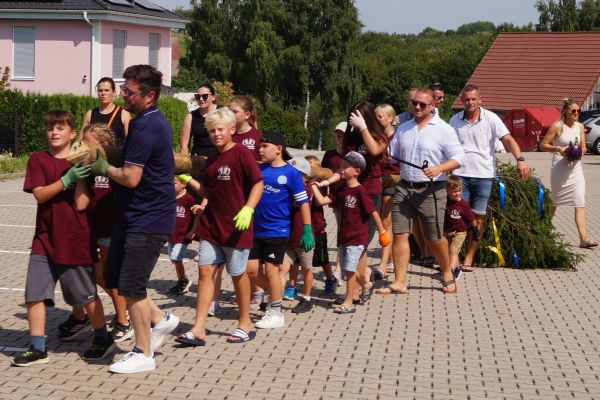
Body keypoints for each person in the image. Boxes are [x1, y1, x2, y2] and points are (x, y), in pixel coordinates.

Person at [91, 64, 179, 374]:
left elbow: (130, 177)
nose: (123, 96)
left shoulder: (147, 126)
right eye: (123, 90)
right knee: (115, 278)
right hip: (131, 217)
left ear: (149, 96)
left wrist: (103, 168)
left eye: (129, 92)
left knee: (131, 287)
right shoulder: (142, 121)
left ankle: (143, 352)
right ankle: (161, 319)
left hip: (149, 218)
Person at [12, 110, 114, 367]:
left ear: (72, 134)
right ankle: (38, 348)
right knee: (34, 293)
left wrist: (79, 178)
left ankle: (103, 338)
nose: (54, 133)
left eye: (60, 128)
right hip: (44, 239)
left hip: (76, 240)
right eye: (50, 129)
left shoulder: (83, 161)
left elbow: (81, 204)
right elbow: (40, 195)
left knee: (85, 296)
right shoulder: (38, 160)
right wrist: (65, 179)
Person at [175, 107, 264, 346]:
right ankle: (198, 328)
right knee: (205, 273)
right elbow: (209, 192)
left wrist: (249, 209)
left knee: (237, 275)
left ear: (232, 130)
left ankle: (245, 323)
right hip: (211, 226)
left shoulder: (242, 153)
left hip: (236, 227)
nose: (215, 134)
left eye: (220, 130)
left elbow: (258, 183)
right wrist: (189, 180)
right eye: (212, 131)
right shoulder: (212, 159)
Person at [380, 87, 465, 295]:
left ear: (432, 105)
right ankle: (400, 282)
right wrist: (383, 151)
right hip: (404, 188)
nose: (417, 107)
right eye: (414, 103)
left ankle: (446, 272)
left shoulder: (443, 129)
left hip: (431, 190)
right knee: (400, 234)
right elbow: (392, 155)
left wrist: (439, 168)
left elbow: (459, 158)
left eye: (422, 104)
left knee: (434, 238)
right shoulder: (404, 128)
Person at [449, 84, 530, 272]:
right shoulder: (454, 120)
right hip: (460, 175)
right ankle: (454, 256)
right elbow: (446, 145)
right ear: (462, 101)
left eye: (473, 99)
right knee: (456, 217)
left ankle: (469, 258)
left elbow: (508, 139)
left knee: (477, 218)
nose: (470, 102)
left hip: (483, 176)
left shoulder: (492, 118)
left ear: (480, 99)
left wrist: (520, 160)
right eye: (466, 99)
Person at [247, 131, 314, 329]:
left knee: (271, 270)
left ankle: (276, 313)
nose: (260, 150)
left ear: (278, 149)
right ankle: (277, 291)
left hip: (277, 230)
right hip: (255, 229)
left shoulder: (291, 173)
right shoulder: (259, 169)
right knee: (251, 270)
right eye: (259, 146)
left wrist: (307, 230)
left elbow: (303, 204)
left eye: (264, 146)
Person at [311, 152, 390, 314]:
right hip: (343, 237)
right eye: (340, 166)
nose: (341, 169)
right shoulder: (341, 189)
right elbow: (322, 201)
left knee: (349, 271)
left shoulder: (361, 191)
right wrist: (313, 185)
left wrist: (382, 232)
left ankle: (349, 302)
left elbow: (373, 212)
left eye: (345, 167)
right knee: (349, 270)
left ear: (356, 171)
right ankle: (366, 285)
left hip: (357, 237)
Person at [319, 101, 388, 280]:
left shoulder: (379, 136)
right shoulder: (350, 139)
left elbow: (374, 151)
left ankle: (359, 282)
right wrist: (328, 181)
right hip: (350, 192)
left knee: (363, 241)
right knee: (353, 241)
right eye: (352, 116)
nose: (354, 121)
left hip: (370, 192)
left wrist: (364, 128)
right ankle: (361, 281)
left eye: (358, 117)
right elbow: (342, 168)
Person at [82, 123, 132, 343]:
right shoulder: (86, 164)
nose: (84, 147)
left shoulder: (115, 164)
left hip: (110, 228)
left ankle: (124, 321)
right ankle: (81, 317)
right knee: (94, 275)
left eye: (88, 143)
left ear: (104, 144)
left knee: (110, 277)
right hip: (90, 226)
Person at [541, 98, 597, 248]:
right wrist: (558, 149)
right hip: (559, 169)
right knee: (555, 202)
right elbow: (543, 145)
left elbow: (584, 146)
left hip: (575, 169)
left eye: (578, 111)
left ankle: (583, 239)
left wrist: (579, 152)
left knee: (580, 201)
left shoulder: (580, 126)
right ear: (565, 112)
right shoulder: (557, 126)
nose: (576, 113)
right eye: (573, 111)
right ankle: (542, 232)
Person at [283, 156, 320, 313]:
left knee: (306, 269)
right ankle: (276, 299)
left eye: (296, 174)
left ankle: (307, 298)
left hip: (303, 237)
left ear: (306, 176)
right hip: (288, 237)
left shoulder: (305, 190)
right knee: (283, 267)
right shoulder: (288, 188)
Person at [305, 155, 337, 296]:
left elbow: (319, 202)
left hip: (317, 226)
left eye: (312, 166)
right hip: (303, 226)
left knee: (322, 258)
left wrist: (313, 184)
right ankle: (293, 286)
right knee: (300, 259)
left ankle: (330, 279)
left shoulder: (319, 185)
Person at [375, 103, 400, 276]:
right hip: (377, 180)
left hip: (393, 180)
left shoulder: (398, 137)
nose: (376, 120)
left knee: (386, 221)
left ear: (390, 118)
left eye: (379, 117)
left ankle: (387, 260)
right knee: (380, 220)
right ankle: (388, 256)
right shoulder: (376, 137)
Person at [443, 175, 479, 279]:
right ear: (447, 190)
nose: (458, 193)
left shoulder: (463, 204)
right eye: (454, 191)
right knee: (448, 252)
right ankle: (457, 269)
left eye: (459, 190)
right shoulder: (444, 201)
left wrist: (475, 230)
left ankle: (449, 273)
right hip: (447, 231)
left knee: (453, 251)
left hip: (459, 232)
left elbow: (471, 218)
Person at [167, 176, 196, 295]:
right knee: (173, 259)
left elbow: (197, 216)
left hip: (183, 235)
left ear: (183, 184)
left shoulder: (189, 199)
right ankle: (182, 280)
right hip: (171, 234)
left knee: (176, 257)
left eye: (174, 183)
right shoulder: (169, 197)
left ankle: (184, 280)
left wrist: (193, 231)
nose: (171, 185)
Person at [81, 77, 131, 146]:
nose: (103, 93)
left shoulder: (124, 114)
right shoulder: (90, 114)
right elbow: (81, 140)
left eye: (107, 90)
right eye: (100, 90)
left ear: (114, 92)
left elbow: (130, 141)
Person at [180, 83, 219, 156]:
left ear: (213, 97)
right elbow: (184, 146)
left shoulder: (222, 112)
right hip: (197, 158)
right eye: (198, 96)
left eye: (205, 96)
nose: (201, 99)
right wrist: (185, 159)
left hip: (219, 157)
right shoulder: (191, 116)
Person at [229, 95, 261, 161]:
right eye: (229, 111)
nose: (230, 114)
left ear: (247, 115)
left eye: (235, 112)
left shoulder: (259, 136)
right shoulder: (226, 135)